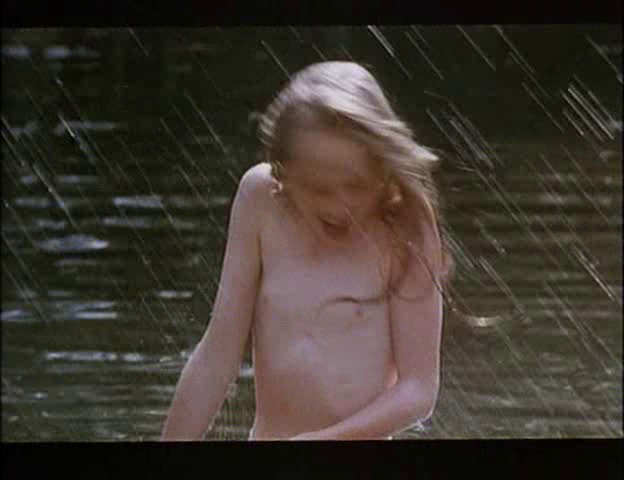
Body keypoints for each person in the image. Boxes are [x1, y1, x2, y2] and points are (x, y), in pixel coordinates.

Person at [161, 61, 452, 441]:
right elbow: (217, 357)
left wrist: (322, 442)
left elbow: (418, 391)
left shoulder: (406, 225)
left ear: (383, 173)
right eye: (318, 189)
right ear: (283, 173)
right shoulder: (261, 199)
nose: (339, 206)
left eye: (355, 186)